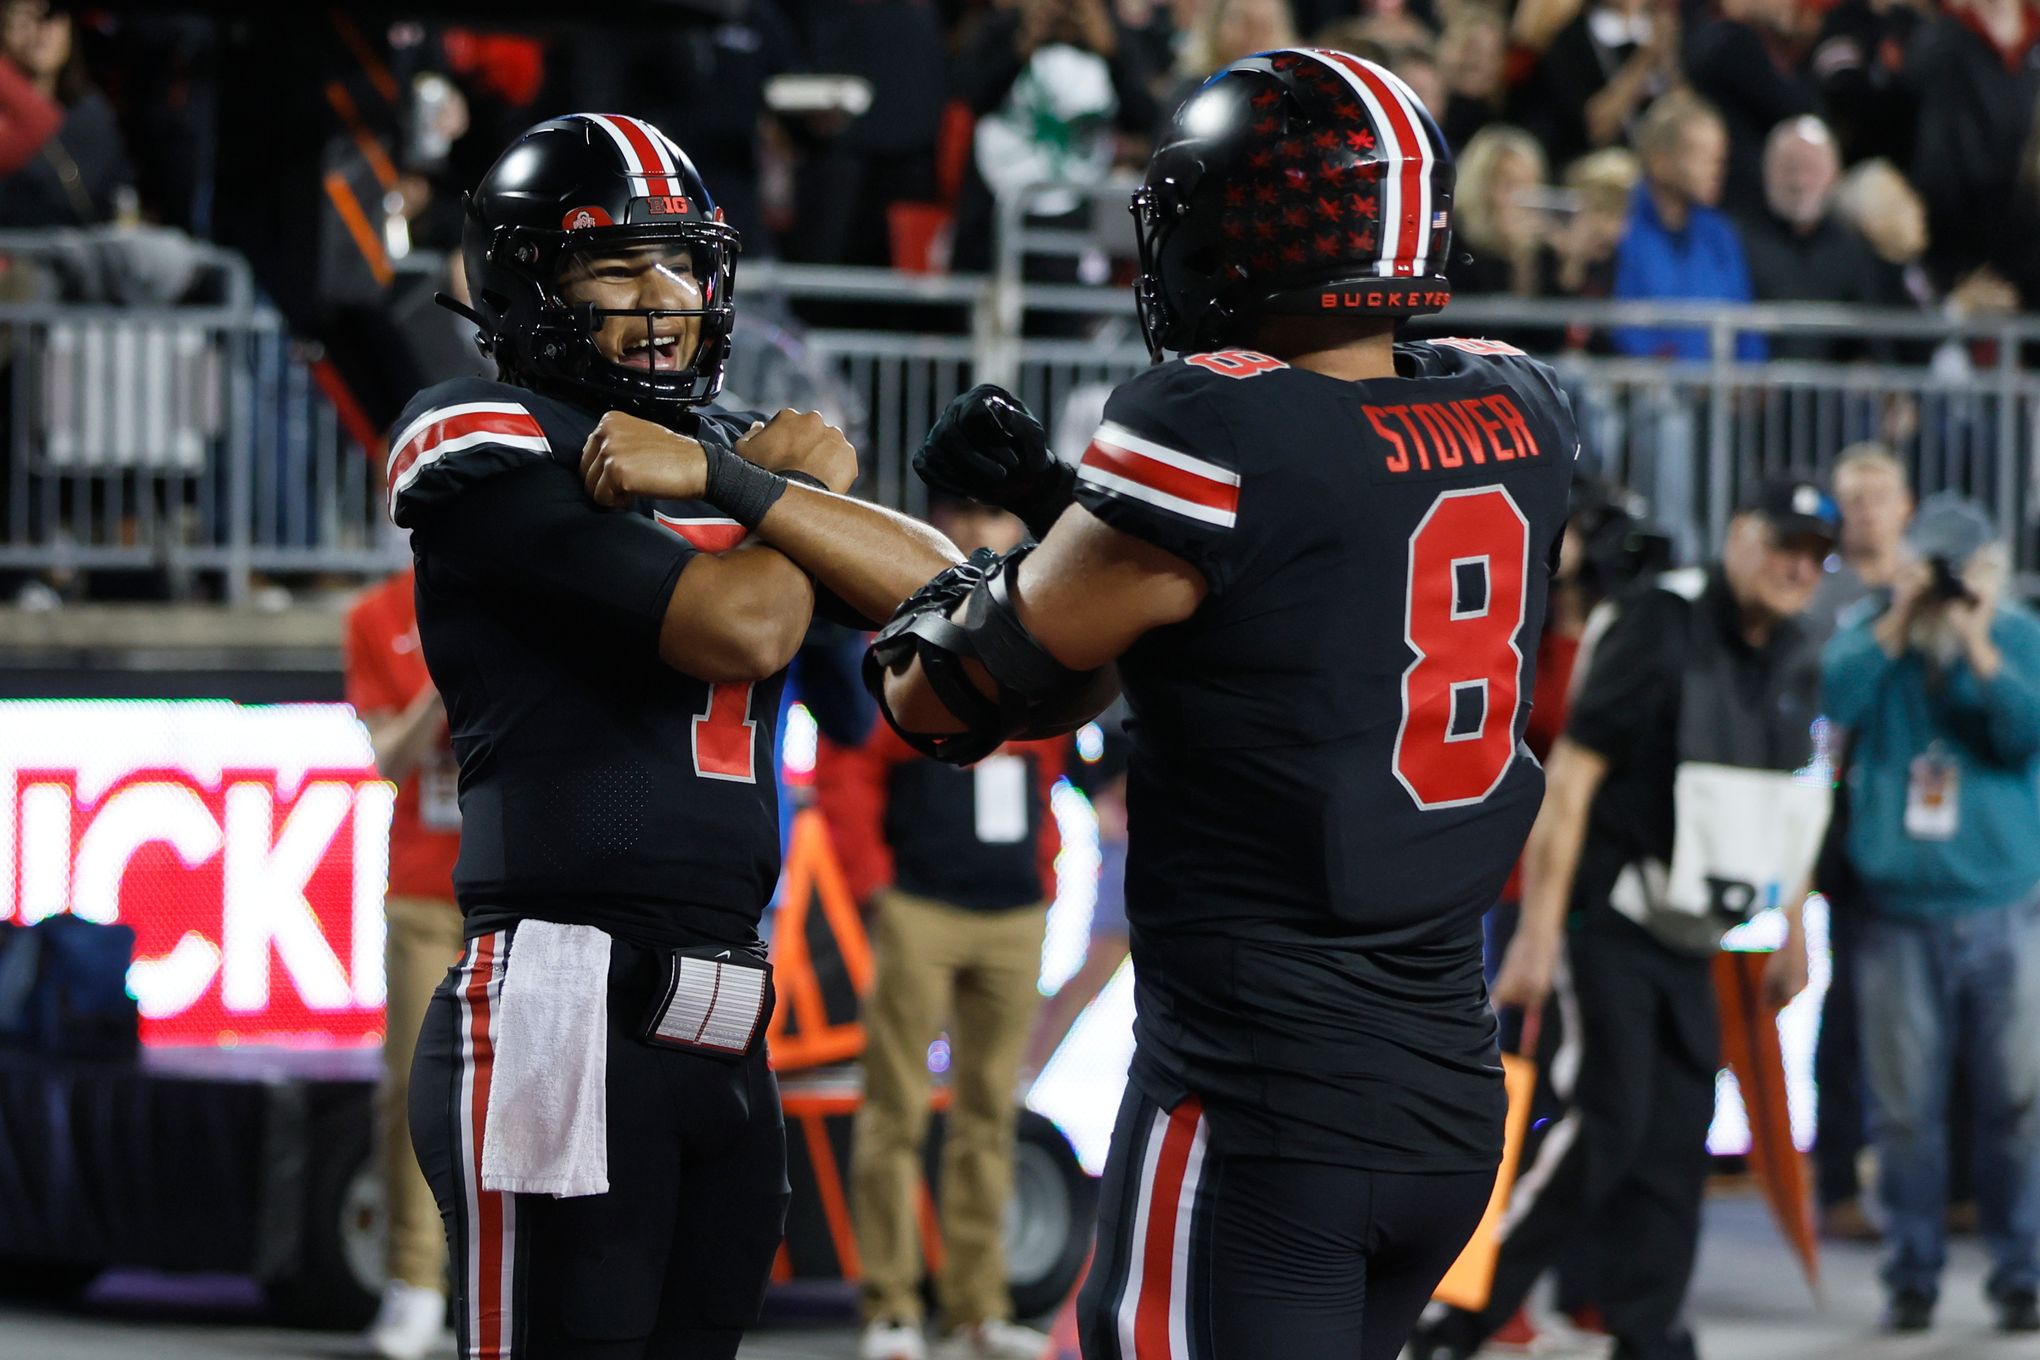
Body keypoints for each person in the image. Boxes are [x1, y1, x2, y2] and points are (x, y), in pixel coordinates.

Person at [856, 50, 1580, 1360]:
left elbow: (948, 695)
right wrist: (1062, 507)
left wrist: (970, 573)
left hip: (1264, 1101)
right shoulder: (1515, 398)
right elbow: (1290, 596)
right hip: (1443, 1091)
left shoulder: (1209, 423)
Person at [393, 113, 961, 1360]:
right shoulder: (478, 430)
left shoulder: (725, 456)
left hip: (722, 1009)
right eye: (616, 266)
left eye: (682, 264)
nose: (663, 299)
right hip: (555, 992)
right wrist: (792, 507)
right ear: (528, 281)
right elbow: (740, 629)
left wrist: (753, 487)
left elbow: (955, 598)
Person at [1414, 478, 1832, 1360]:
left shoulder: (1796, 649)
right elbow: (1572, 779)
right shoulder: (1661, 622)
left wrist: (1789, 928)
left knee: (1677, 1134)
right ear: (1741, 534)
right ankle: (1466, 1313)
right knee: (1603, 1122)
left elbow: (1793, 806)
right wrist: (1537, 932)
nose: (1801, 567)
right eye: (1787, 544)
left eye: (1817, 555)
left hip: (1699, 932)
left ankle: (1649, 1331)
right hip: (1611, 915)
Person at [815, 498, 1064, 1360]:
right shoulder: (912, 624)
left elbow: (1049, 763)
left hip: (1012, 913)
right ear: (951, 523)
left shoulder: (1041, 630)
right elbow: (851, 763)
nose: (993, 531)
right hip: (922, 905)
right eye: (979, 516)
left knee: (992, 1115)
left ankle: (975, 1307)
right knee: (897, 1111)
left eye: (1002, 516)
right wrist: (876, 890)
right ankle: (888, 1308)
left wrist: (1046, 873)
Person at [1822, 494, 2040, 1335]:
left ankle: (2020, 1272)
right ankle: (1910, 1273)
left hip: (2003, 908)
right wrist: (1904, 612)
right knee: (1905, 1110)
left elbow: (2027, 732)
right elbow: (1831, 697)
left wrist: (1978, 639)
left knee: (2017, 1102)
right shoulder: (1879, 632)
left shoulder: (2016, 633)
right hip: (1897, 913)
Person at [345, 568, 466, 1360]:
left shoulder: (534, 578)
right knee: (415, 1093)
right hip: (427, 893)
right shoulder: (378, 614)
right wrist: (449, 682)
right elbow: (386, 755)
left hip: (531, 887)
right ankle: (415, 1285)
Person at [1807, 444, 1913, 1248]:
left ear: (1905, 505)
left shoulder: (1937, 581)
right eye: (1855, 499)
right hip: (1842, 817)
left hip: (1929, 823)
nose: (1868, 512)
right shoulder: (1823, 593)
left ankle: (1952, 1188)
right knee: (1845, 1009)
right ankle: (1837, 1180)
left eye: (1880, 497)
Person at [1610, 90, 1764, 363]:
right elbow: (1619, 323)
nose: (1717, 168)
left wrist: (1748, 377)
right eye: (1703, 156)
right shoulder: (1619, 225)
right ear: (1661, 161)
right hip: (1640, 395)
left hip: (1719, 396)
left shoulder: (1721, 235)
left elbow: (1745, 324)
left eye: (1721, 158)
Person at [1737, 117, 1884, 361]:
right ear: (1766, 171)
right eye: (1788, 168)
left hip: (1831, 395)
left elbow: (1870, 336)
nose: (1799, 181)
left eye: (1810, 168)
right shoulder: (1738, 240)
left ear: (1834, 174)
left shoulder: (1851, 247)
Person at [0, 0, 132, 227]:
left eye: (52, 16)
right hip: (20, 242)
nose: (40, 30)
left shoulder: (92, 108)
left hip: (94, 243)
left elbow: (120, 190)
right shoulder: (9, 118)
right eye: (24, 17)